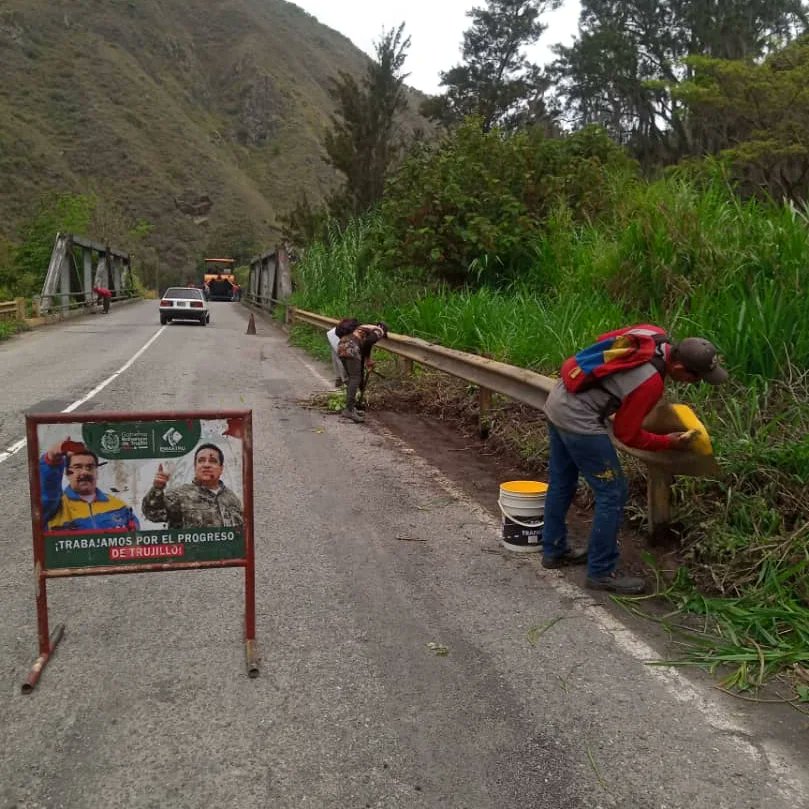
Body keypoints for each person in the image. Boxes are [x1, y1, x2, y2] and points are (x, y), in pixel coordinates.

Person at [541, 326, 729, 594]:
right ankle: (601, 572)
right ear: (678, 366)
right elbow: (626, 434)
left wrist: (613, 386)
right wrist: (668, 442)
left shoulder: (653, 334)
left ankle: (554, 550)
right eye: (695, 378)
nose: (695, 383)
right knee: (613, 493)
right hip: (579, 420)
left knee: (562, 481)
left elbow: (604, 341)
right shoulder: (650, 382)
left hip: (560, 397)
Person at [39, 438, 139, 532]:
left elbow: (136, 542)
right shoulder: (53, 508)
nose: (85, 472)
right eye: (78, 467)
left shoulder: (119, 506)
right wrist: (52, 459)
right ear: (67, 473)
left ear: (97, 472)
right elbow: (47, 490)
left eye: (90, 467)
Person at [141, 443, 243, 529]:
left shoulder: (232, 499)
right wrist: (157, 488)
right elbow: (152, 513)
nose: (206, 465)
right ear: (195, 467)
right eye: (201, 460)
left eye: (213, 461)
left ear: (221, 468)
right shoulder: (179, 495)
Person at [337, 322, 388, 423]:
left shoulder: (365, 327)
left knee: (353, 378)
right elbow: (368, 342)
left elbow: (364, 344)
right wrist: (368, 360)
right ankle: (349, 410)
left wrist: (365, 362)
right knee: (355, 378)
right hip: (351, 347)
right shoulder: (379, 331)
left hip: (342, 345)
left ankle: (351, 407)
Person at [326, 317, 359, 388]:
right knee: (340, 358)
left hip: (335, 335)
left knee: (337, 357)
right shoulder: (355, 332)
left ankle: (339, 378)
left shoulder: (354, 330)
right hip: (335, 337)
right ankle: (345, 380)